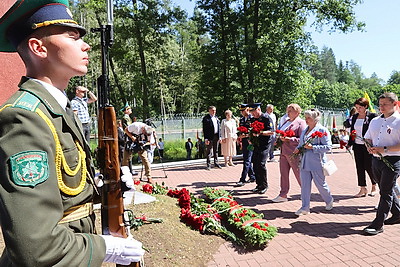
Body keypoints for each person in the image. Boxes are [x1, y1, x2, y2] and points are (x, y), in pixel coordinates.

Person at [0, 1, 144, 265]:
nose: (85, 45)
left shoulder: (58, 109)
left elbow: (64, 192)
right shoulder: (24, 117)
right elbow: (35, 245)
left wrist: (105, 186)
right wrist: (104, 249)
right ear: (38, 47)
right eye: (73, 36)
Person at [362, 92, 400, 235]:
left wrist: (384, 149)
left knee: (385, 192)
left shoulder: (399, 121)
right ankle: (398, 214)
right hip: (376, 160)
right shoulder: (375, 121)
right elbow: (368, 138)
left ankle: (378, 224)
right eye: (380, 104)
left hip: (394, 160)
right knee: (387, 190)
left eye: (385, 104)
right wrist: (369, 146)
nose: (381, 107)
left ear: (395, 104)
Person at [294, 109, 334, 216]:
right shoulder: (305, 130)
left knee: (320, 184)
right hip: (304, 162)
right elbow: (302, 143)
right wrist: (298, 148)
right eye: (306, 117)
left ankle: (329, 200)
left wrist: (313, 147)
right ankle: (305, 207)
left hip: (317, 163)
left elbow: (328, 147)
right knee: (305, 186)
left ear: (315, 120)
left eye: (309, 118)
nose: (306, 120)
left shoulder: (322, 130)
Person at [272, 104, 306, 203]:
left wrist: (289, 139)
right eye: (288, 110)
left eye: (291, 110)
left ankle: (305, 193)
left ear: (297, 112)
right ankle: (283, 194)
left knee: (298, 174)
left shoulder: (301, 123)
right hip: (283, 151)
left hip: (293, 152)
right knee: (283, 174)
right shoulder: (286, 121)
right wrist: (278, 139)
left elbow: (303, 139)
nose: (288, 112)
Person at [346, 97, 378, 197]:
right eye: (356, 107)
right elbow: (352, 130)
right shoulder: (355, 117)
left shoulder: (372, 116)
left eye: (360, 107)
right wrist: (350, 143)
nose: (358, 109)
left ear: (365, 107)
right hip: (357, 145)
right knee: (359, 167)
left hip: (368, 146)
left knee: (369, 166)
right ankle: (362, 188)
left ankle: (374, 185)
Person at [248, 103, 274, 194]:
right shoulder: (252, 119)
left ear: (258, 109)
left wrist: (260, 132)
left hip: (265, 144)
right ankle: (258, 184)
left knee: (261, 164)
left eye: (253, 112)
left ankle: (264, 185)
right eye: (251, 112)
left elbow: (271, 132)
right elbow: (250, 130)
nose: (252, 114)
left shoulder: (266, 118)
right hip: (256, 144)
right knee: (255, 163)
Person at [235, 104, 256, 186]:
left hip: (250, 141)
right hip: (244, 141)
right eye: (241, 111)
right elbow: (240, 130)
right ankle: (252, 176)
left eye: (243, 111)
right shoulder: (242, 119)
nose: (242, 113)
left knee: (247, 160)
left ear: (247, 110)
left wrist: (247, 135)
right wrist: (240, 137)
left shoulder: (252, 118)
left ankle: (242, 179)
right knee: (247, 159)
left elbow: (254, 131)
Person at [202, 105, 222, 170]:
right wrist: (206, 138)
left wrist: (220, 136)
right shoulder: (206, 118)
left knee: (216, 150)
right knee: (209, 151)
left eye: (215, 110)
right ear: (209, 111)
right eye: (213, 110)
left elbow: (219, 128)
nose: (214, 112)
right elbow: (205, 129)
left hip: (216, 136)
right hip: (210, 137)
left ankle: (216, 163)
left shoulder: (216, 118)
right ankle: (208, 164)